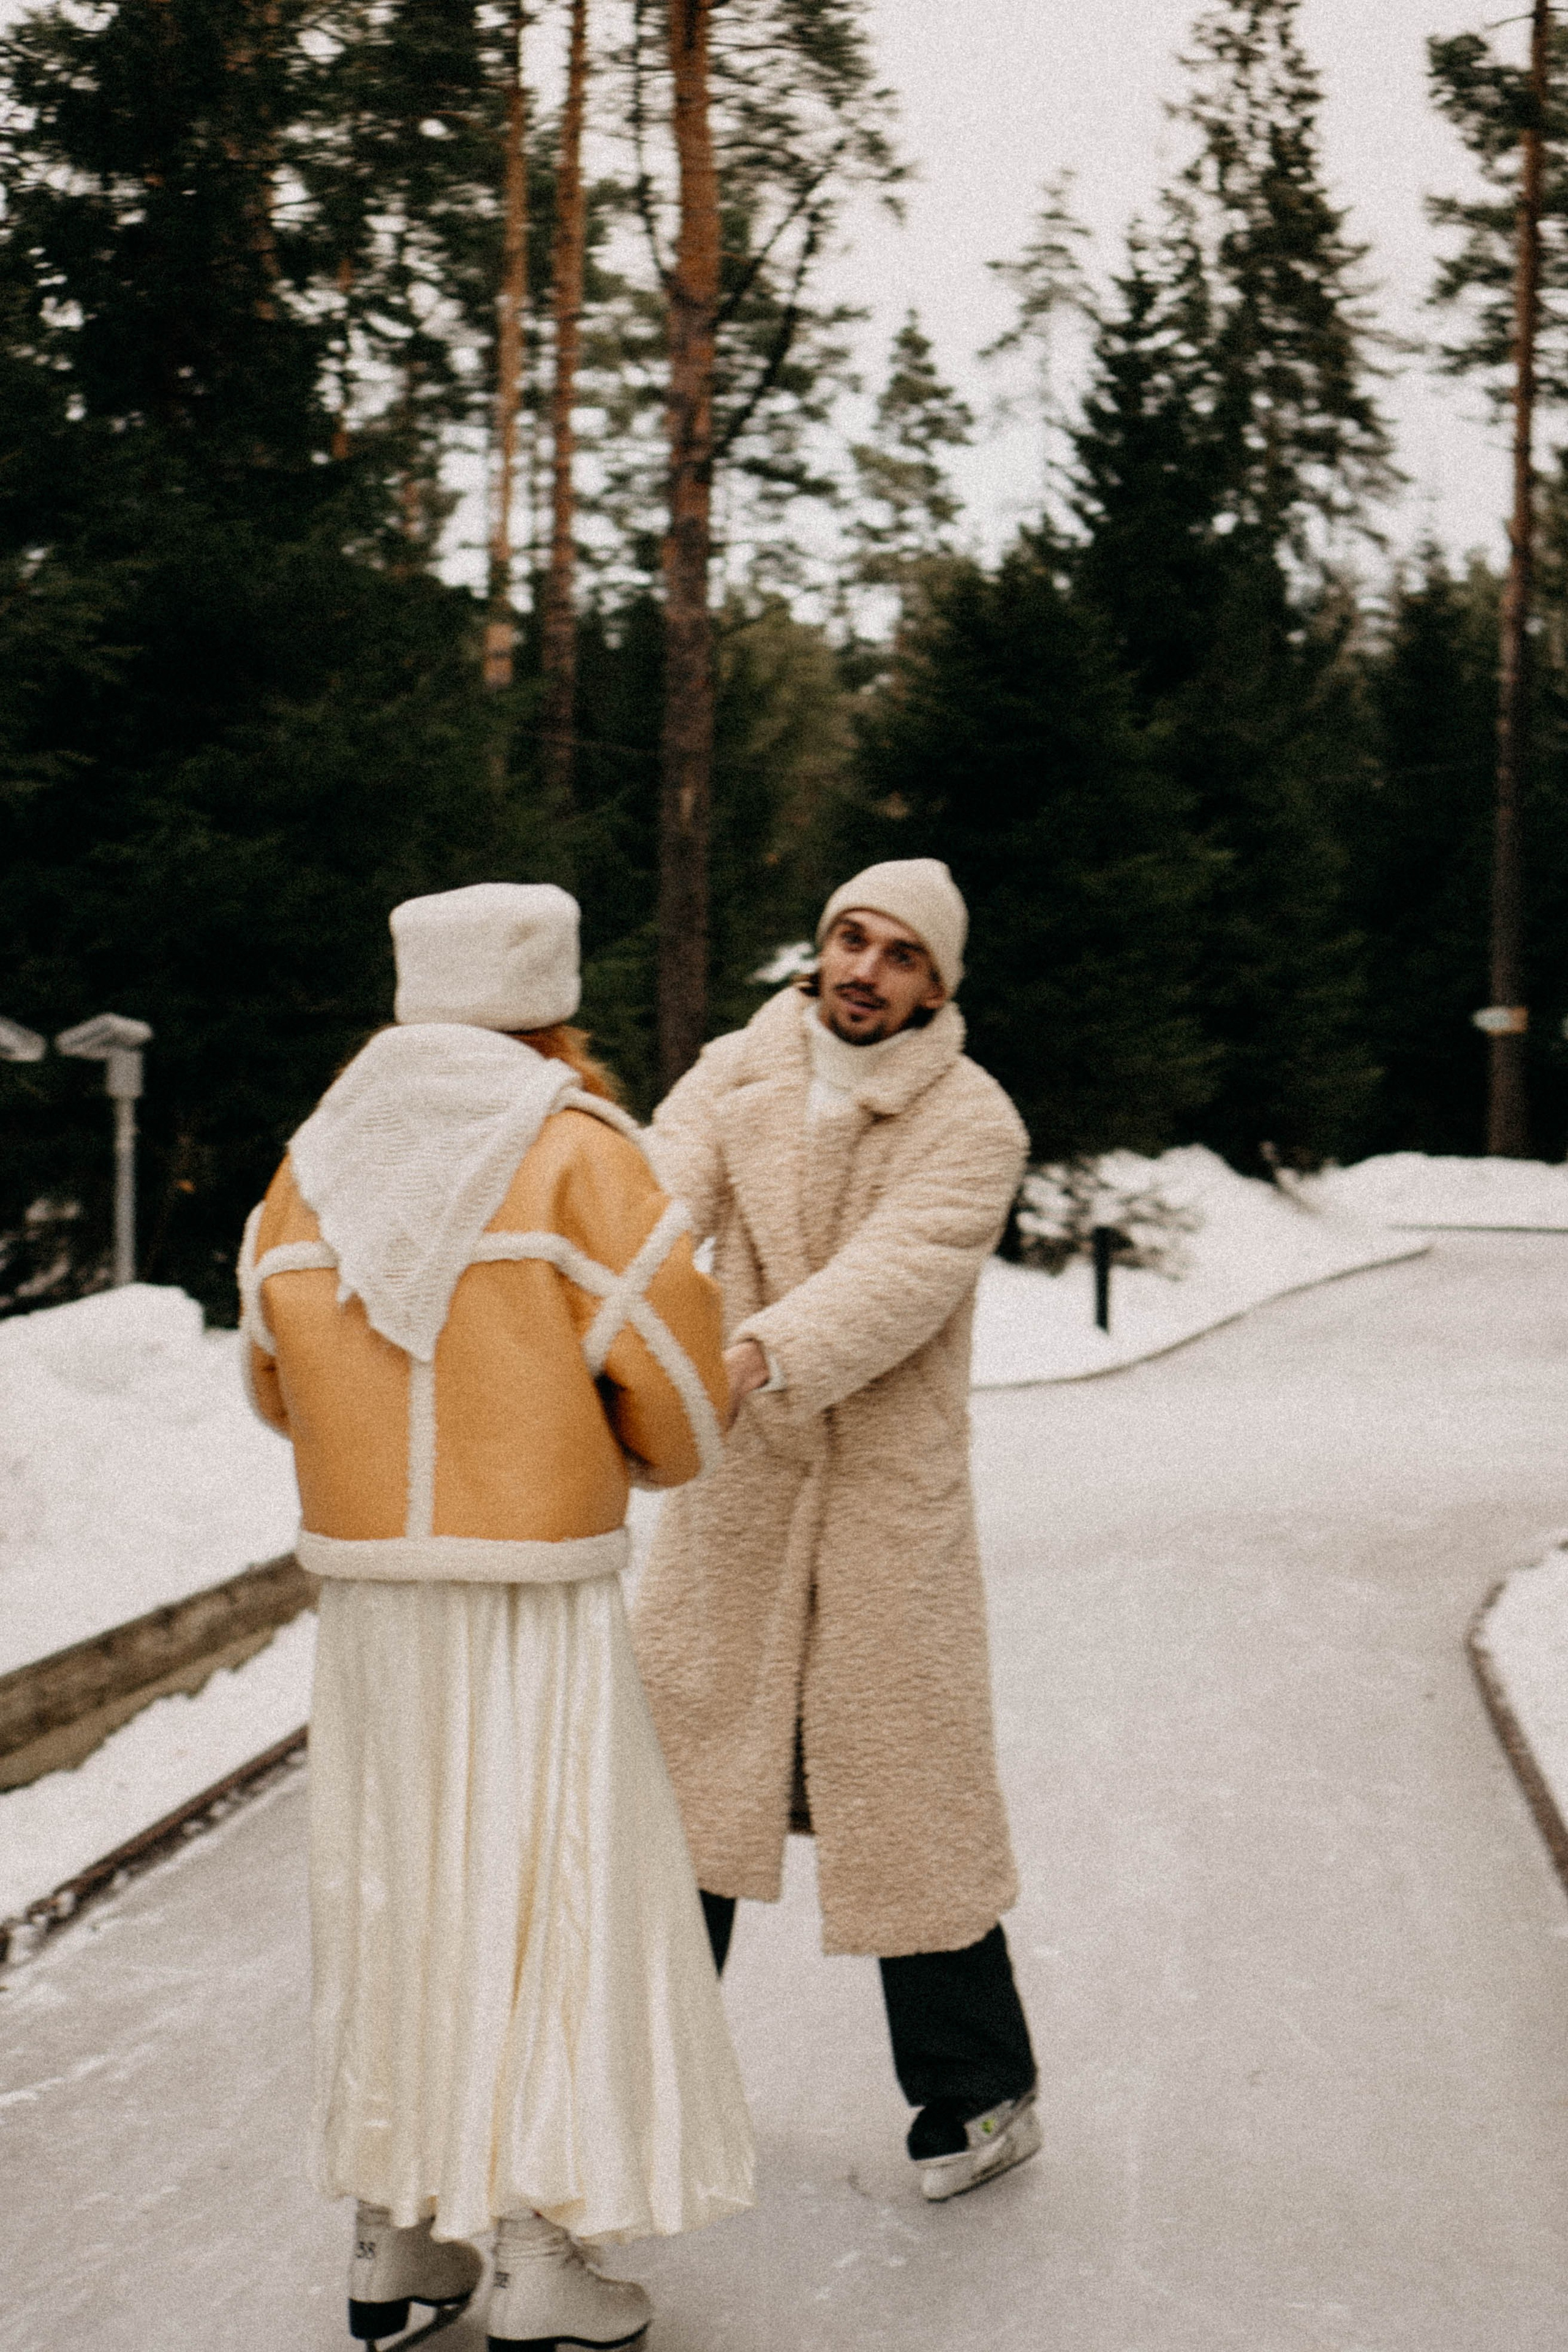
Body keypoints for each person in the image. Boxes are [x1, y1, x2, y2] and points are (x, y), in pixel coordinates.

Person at [238, 881, 753, 2352]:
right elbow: (673, 1377)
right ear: (551, 999)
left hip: (373, 1617)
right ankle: (538, 2255)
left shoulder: (310, 1159)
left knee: (395, 1895)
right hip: (532, 1602)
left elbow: (271, 1370)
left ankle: (395, 2241)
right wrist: (634, 1457)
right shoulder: (577, 1152)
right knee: (545, 1898)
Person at [631, 858, 1041, 2203]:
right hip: (737, 1497)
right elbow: (651, 1200)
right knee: (684, 1773)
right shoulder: (733, 1069)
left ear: (937, 984)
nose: (864, 970)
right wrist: (597, 1302)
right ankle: (633, 2065)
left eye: (900, 955)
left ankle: (981, 2092)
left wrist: (744, 1359)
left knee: (901, 1789)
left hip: (878, 1494)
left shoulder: (971, 1120)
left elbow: (897, 1279)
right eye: (848, 940)